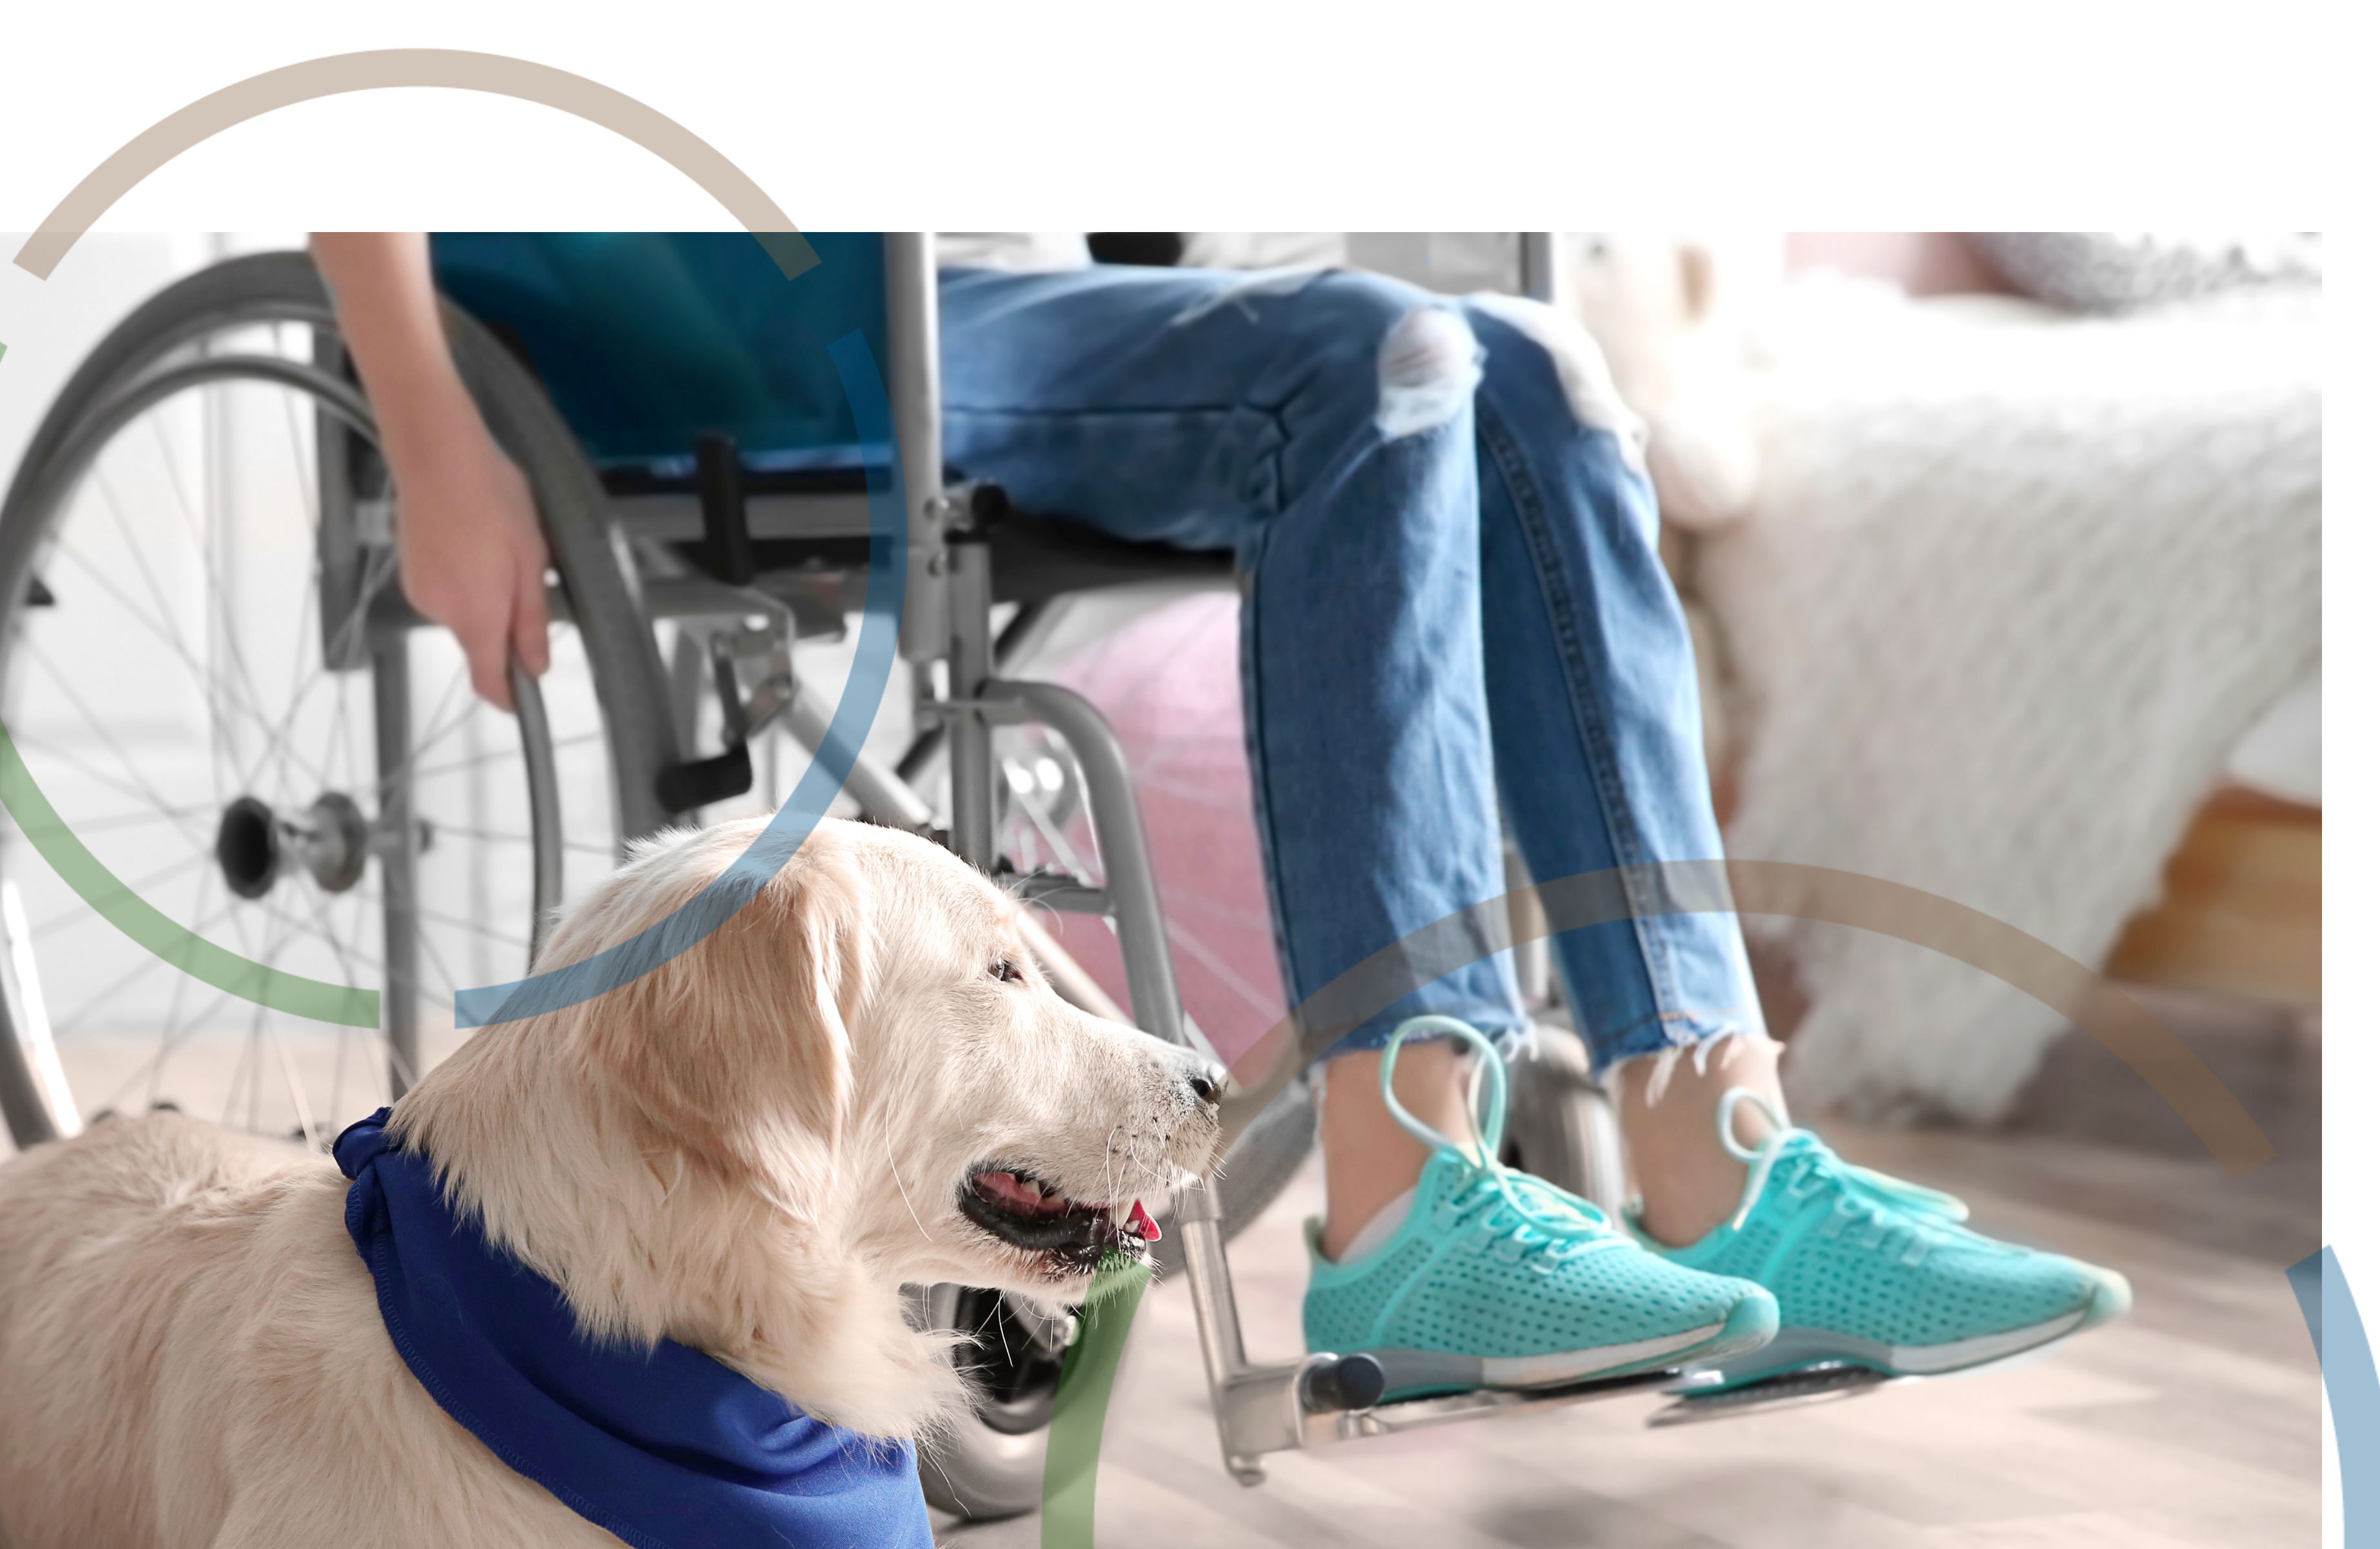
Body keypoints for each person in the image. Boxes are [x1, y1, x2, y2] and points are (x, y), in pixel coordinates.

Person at [310, 232, 2123, 1400]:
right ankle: (1408, 1194)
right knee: (1385, 360)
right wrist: (434, 429)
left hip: (965, 279)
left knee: (1542, 374)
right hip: (700, 313)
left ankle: (1717, 1148)